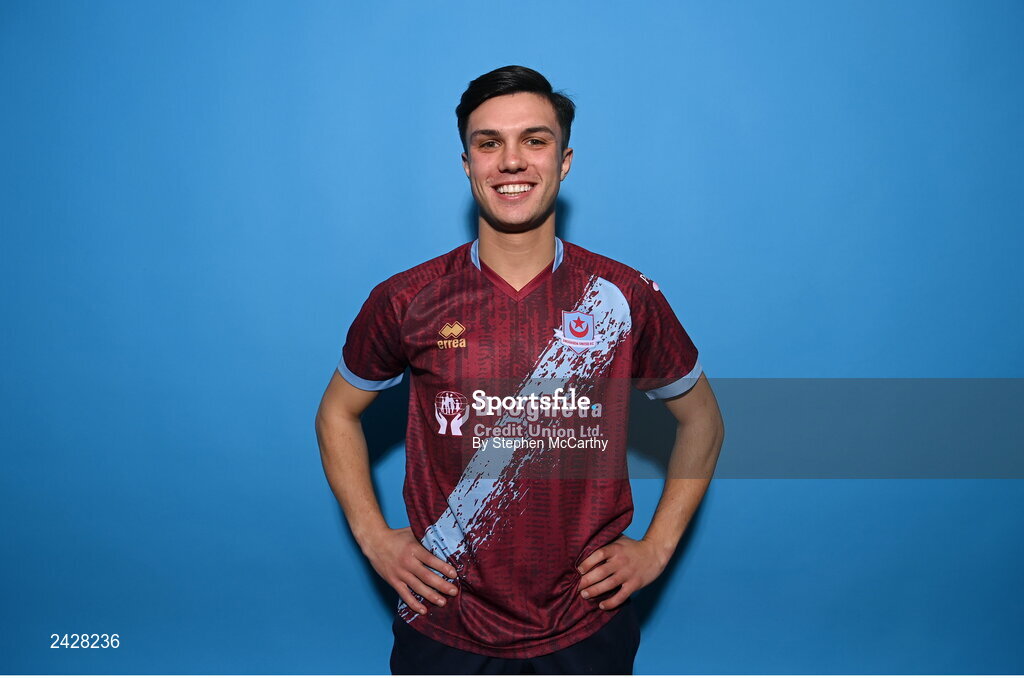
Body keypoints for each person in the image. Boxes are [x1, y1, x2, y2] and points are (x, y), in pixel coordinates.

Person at [315, 65, 724, 674]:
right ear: (467, 164)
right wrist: (376, 538)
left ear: (564, 161)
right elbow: (336, 414)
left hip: (584, 624)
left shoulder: (619, 296)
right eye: (489, 143)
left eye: (534, 141)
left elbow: (704, 422)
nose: (512, 161)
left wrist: (657, 549)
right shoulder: (407, 298)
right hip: (444, 620)